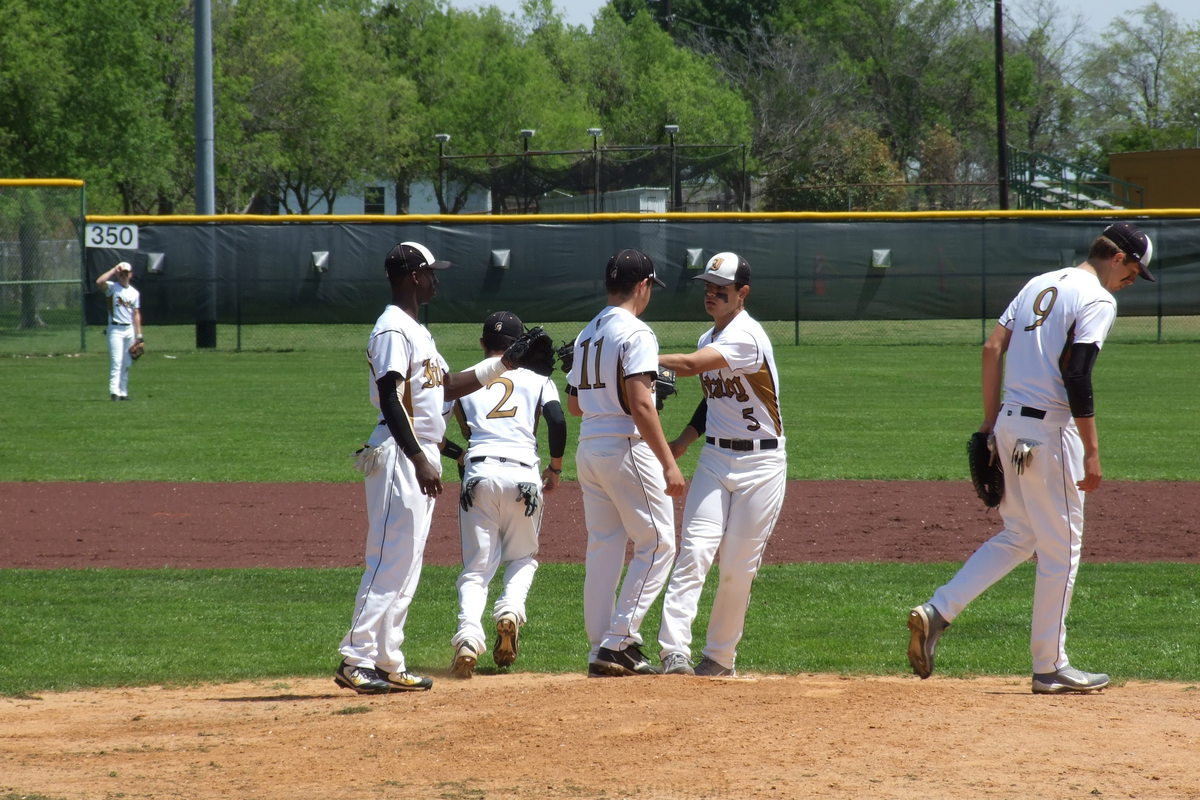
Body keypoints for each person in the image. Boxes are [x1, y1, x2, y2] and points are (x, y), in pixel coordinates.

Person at [907, 222, 1155, 694]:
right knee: (1063, 548)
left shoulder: (1038, 283)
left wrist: (988, 424)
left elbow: (991, 347)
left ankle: (938, 612)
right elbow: (1077, 375)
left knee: (1021, 534)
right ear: (1118, 258)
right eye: (1133, 271)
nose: (1131, 282)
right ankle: (1051, 664)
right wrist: (1094, 450)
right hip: (1050, 430)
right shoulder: (1099, 299)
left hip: (1010, 423)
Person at [335, 241, 526, 695]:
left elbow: (449, 388)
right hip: (400, 453)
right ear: (412, 276)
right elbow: (390, 395)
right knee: (388, 559)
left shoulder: (418, 332)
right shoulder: (392, 330)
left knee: (406, 564)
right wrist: (420, 457)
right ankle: (354, 658)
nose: (436, 279)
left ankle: (387, 659)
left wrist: (506, 362)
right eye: (430, 272)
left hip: (417, 451)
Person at [655, 252, 786, 678]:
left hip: (762, 463)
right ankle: (673, 652)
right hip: (715, 457)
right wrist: (682, 443)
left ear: (742, 293)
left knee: (736, 567)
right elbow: (711, 399)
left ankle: (719, 658)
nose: (711, 294)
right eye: (707, 287)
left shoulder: (746, 337)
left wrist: (641, 354)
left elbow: (692, 369)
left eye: (721, 289)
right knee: (694, 550)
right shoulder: (707, 336)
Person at [567, 248, 686, 677]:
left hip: (589, 447)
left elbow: (575, 405)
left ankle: (604, 643)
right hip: (624, 447)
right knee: (658, 544)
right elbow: (639, 403)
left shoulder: (586, 332)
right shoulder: (638, 332)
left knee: (604, 546)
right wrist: (669, 461)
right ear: (642, 286)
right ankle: (618, 642)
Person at [446, 310, 567, 678]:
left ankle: (468, 637)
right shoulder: (537, 379)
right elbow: (558, 421)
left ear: (482, 343)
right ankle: (510, 610)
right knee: (523, 558)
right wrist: (556, 467)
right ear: (519, 346)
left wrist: (458, 454)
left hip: (478, 474)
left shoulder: (464, 380)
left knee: (476, 571)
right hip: (524, 477)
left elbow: (432, 430)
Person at [96, 261, 142, 400]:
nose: (123, 276)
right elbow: (99, 281)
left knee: (127, 362)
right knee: (116, 361)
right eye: (121, 274)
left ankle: (123, 392)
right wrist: (113, 270)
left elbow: (136, 314)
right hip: (115, 328)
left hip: (129, 329)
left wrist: (139, 335)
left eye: (126, 274)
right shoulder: (112, 288)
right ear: (118, 274)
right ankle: (114, 392)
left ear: (130, 275)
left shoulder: (134, 293)